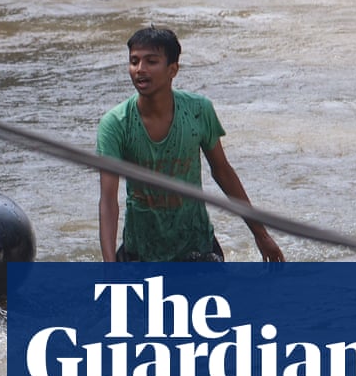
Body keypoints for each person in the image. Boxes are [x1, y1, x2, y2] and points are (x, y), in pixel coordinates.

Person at [97, 26, 285, 263]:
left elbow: (223, 172)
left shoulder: (198, 111)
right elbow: (108, 200)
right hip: (141, 253)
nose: (140, 70)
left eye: (151, 61)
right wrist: (109, 268)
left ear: (172, 69)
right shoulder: (115, 124)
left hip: (197, 249)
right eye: (134, 61)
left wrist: (261, 234)